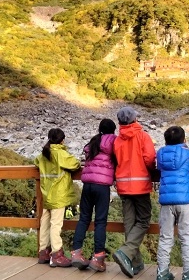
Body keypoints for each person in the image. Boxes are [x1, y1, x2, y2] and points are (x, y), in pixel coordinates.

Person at [112, 106, 156, 278]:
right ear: (135, 119)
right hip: (140, 186)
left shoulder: (117, 140)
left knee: (129, 223)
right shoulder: (143, 136)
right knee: (144, 221)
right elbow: (150, 159)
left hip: (123, 186)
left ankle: (135, 263)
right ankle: (125, 252)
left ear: (120, 122)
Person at [156, 126, 189, 280]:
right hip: (184, 201)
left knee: (165, 237)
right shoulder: (187, 154)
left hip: (166, 202)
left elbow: (157, 167)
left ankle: (162, 272)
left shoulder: (160, 154)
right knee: (187, 237)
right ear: (184, 140)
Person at [71, 118, 118, 272]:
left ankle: (76, 253)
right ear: (113, 130)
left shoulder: (93, 142)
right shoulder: (114, 142)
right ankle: (98, 257)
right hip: (102, 186)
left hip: (87, 185)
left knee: (84, 218)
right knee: (100, 221)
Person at [34, 127, 81, 268]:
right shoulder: (60, 154)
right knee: (56, 224)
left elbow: (36, 162)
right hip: (58, 195)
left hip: (46, 193)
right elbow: (75, 164)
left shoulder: (43, 154)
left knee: (45, 221)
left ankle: (43, 252)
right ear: (62, 140)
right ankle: (56, 254)